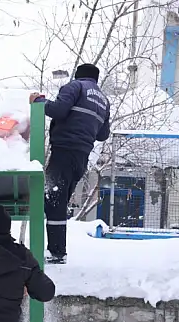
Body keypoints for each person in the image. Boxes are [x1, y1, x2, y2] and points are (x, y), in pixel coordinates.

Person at [29, 63, 111, 264]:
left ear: (78, 75)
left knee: (53, 199)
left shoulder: (75, 87)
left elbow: (58, 110)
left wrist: (39, 101)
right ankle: (57, 251)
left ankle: (57, 253)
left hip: (64, 149)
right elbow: (103, 134)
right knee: (59, 200)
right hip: (82, 156)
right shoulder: (103, 100)